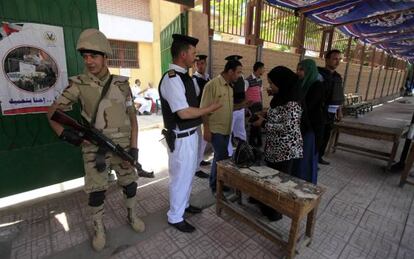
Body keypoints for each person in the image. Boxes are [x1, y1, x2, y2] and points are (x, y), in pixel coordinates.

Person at [47, 29, 145, 251]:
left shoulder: (121, 83)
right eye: (85, 57)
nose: (89, 61)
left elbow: (133, 119)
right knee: (96, 191)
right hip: (94, 149)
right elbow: (51, 113)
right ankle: (98, 227)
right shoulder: (78, 84)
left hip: (123, 148)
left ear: (105, 57)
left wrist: (135, 150)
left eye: (94, 56)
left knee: (130, 184)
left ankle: (132, 214)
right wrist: (70, 136)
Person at [158, 34, 221, 233]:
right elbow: (183, 112)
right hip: (181, 138)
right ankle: (175, 217)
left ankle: (183, 206)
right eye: (193, 53)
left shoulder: (185, 77)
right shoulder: (172, 79)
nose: (196, 57)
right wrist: (209, 109)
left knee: (188, 176)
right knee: (179, 178)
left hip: (191, 135)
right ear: (183, 54)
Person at [252, 66, 302, 221]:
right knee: (271, 178)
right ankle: (266, 204)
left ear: (282, 83)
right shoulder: (280, 97)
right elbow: (279, 114)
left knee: (278, 182)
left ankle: (275, 212)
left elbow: (289, 127)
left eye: (272, 84)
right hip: (275, 147)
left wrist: (264, 124)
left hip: (285, 150)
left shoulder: (293, 102)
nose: (270, 87)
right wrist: (265, 114)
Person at [201, 58, 243, 193]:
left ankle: (214, 183)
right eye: (238, 72)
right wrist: (206, 129)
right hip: (215, 129)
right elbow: (204, 109)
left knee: (219, 158)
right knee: (222, 156)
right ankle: (215, 185)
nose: (239, 75)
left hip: (226, 129)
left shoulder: (230, 87)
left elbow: (228, 108)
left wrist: (242, 106)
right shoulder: (212, 85)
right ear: (230, 71)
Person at [295, 59, 325, 184]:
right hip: (301, 126)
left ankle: (306, 186)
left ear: (309, 70)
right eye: (297, 69)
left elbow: (308, 106)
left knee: (307, 159)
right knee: (299, 159)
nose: (298, 72)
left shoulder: (317, 86)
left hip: (311, 128)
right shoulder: (302, 84)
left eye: (301, 70)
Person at [318, 49, 345, 165]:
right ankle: (312, 158)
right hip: (320, 111)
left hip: (332, 113)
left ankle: (319, 157)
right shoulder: (319, 74)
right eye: (335, 59)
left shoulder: (338, 77)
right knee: (318, 135)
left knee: (326, 135)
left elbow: (338, 95)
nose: (337, 62)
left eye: (339, 59)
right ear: (327, 59)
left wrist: (339, 112)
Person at [225, 55, 251, 158]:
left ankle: (244, 151)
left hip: (240, 109)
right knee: (228, 134)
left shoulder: (241, 77)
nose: (239, 73)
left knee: (241, 132)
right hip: (231, 109)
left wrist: (245, 107)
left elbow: (243, 93)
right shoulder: (227, 79)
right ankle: (229, 154)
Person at [192, 54, 211, 178]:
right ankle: (196, 168)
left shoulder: (208, 79)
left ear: (205, 64)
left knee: (203, 140)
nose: (200, 66)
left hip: (207, 114)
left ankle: (200, 160)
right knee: (198, 141)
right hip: (198, 116)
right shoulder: (194, 80)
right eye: (198, 64)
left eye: (202, 63)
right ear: (195, 65)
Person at [246, 61, 265, 147]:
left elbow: (260, 93)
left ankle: (255, 142)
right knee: (255, 124)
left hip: (259, 105)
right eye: (263, 68)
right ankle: (254, 142)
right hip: (252, 106)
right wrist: (246, 107)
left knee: (258, 123)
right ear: (258, 69)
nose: (264, 70)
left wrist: (262, 104)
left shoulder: (260, 81)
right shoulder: (247, 80)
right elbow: (244, 94)